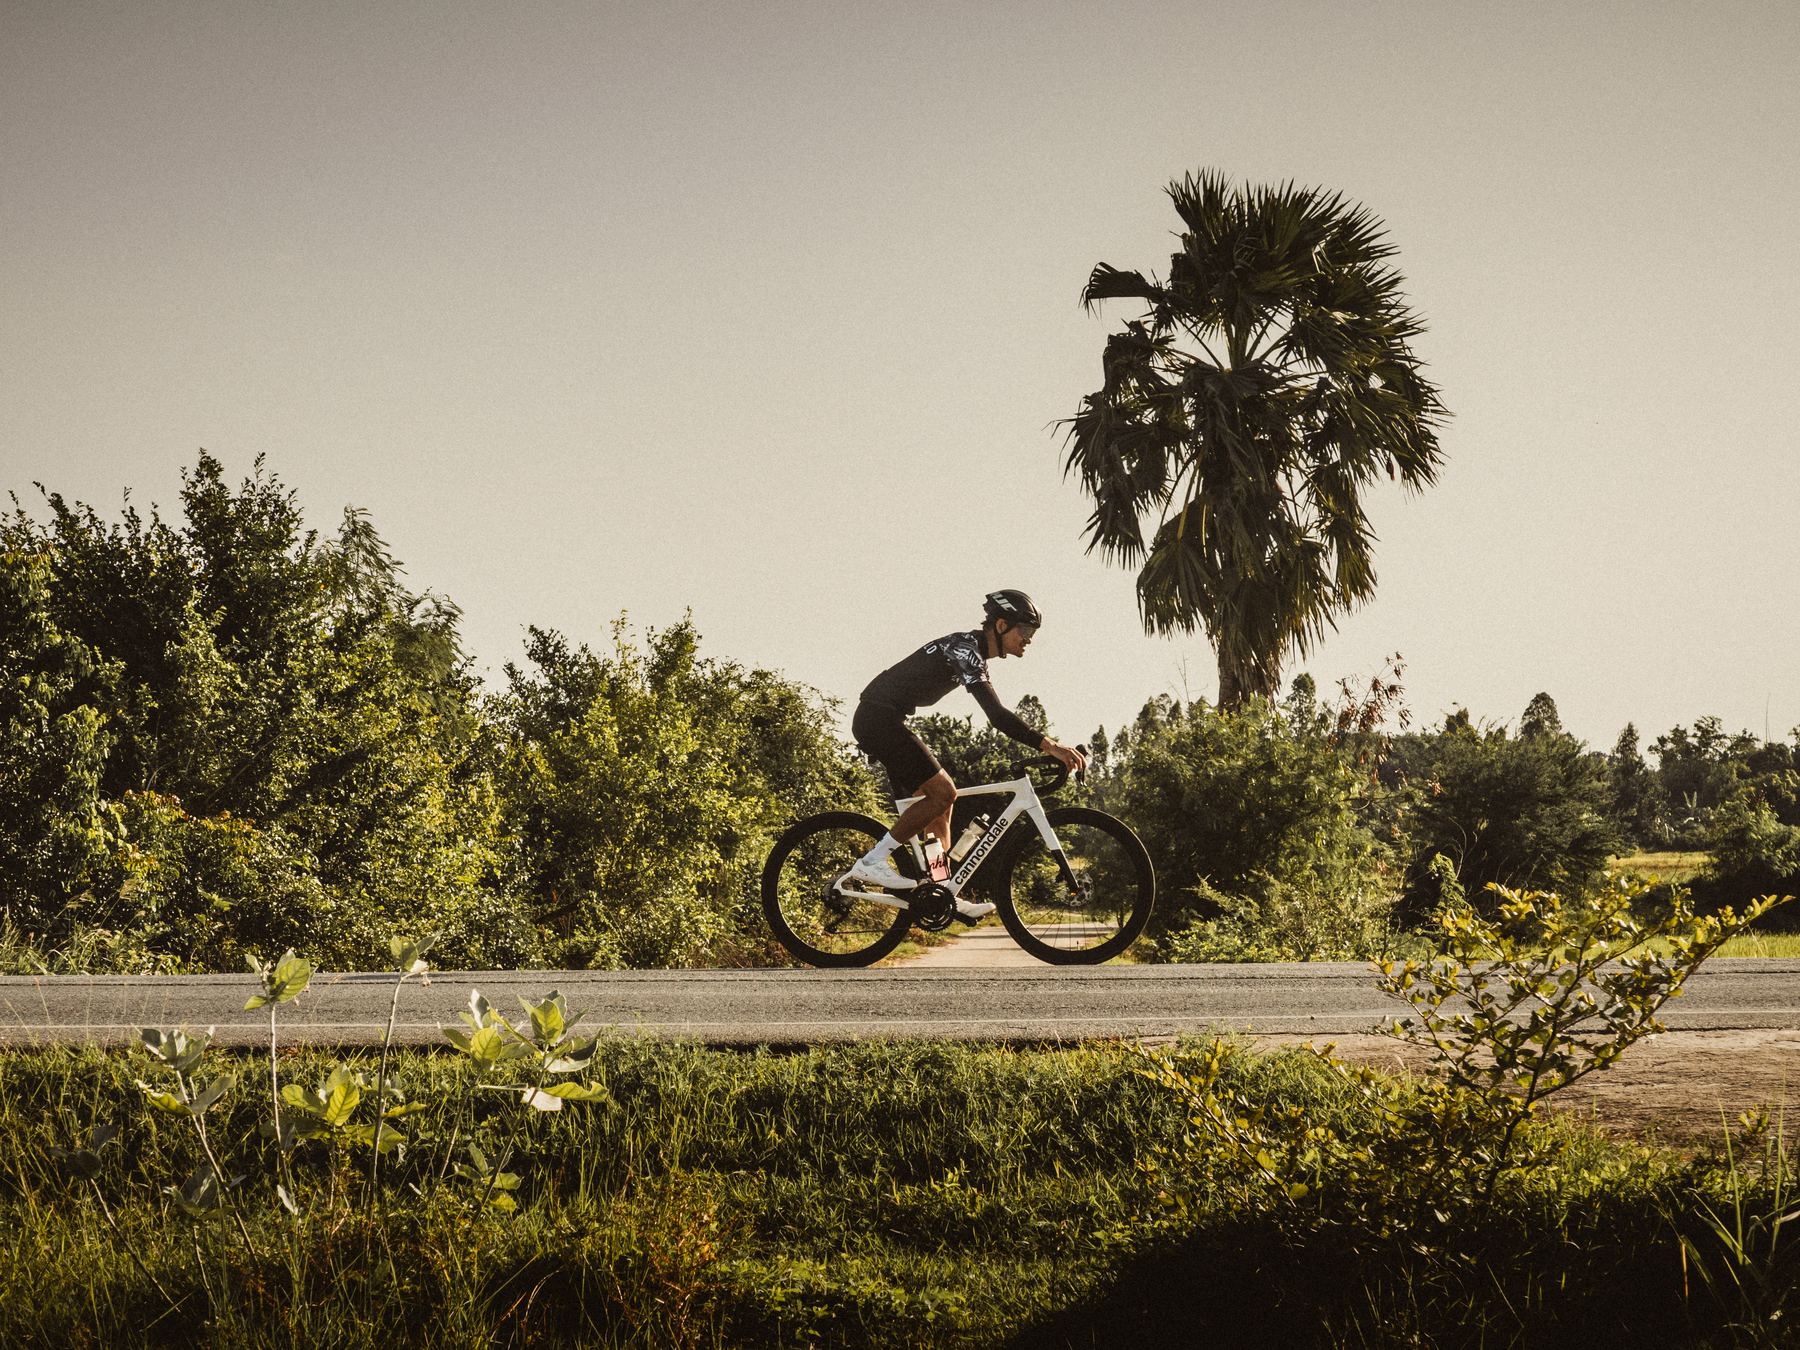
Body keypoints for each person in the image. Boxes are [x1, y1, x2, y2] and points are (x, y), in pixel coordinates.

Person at [845, 589, 1088, 920]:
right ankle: (872, 862)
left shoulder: (973, 653)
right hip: (878, 718)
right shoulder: (966, 649)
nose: (1029, 640)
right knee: (944, 792)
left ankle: (941, 890)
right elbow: (997, 716)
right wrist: (1051, 745)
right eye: (1025, 631)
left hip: (884, 717)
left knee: (941, 807)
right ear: (1001, 625)